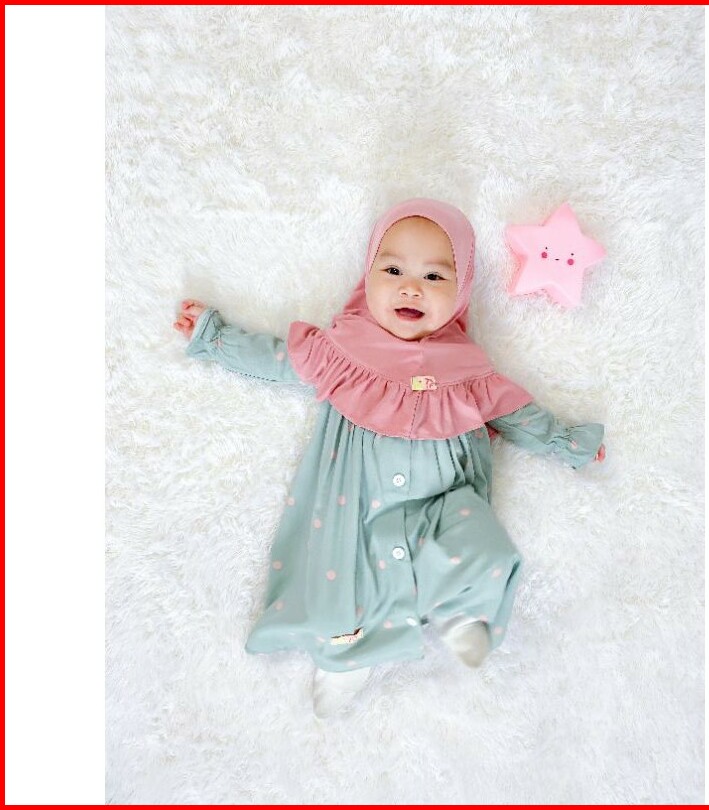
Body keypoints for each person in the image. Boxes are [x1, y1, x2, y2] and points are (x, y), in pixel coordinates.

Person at [173, 198, 605, 718]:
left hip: (442, 503)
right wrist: (214, 336)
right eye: (393, 270)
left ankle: (461, 610)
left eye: (434, 276)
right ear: (368, 275)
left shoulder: (470, 371)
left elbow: (520, 416)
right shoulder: (342, 352)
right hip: (358, 502)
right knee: (346, 583)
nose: (411, 287)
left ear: (462, 288)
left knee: (480, 540)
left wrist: (567, 442)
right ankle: (345, 661)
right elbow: (276, 359)